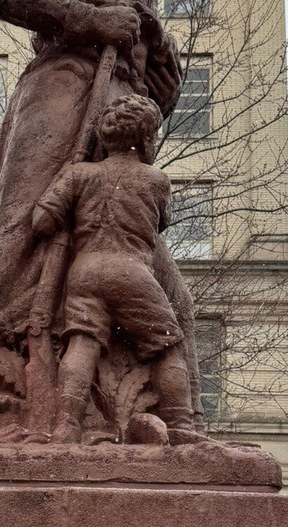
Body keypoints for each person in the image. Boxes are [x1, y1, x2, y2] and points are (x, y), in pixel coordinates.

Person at [0, 0, 201, 440]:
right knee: (21, 229)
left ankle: (171, 421)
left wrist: (157, 57)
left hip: (122, 98)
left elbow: (157, 87)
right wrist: (92, 20)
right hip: (69, 83)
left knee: (172, 291)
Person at [31, 95, 204, 444]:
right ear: (145, 139)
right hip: (131, 272)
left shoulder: (79, 174)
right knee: (168, 344)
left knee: (82, 343)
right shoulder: (156, 180)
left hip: (84, 272)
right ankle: (182, 424)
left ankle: (66, 424)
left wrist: (69, 189)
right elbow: (162, 223)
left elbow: (41, 222)